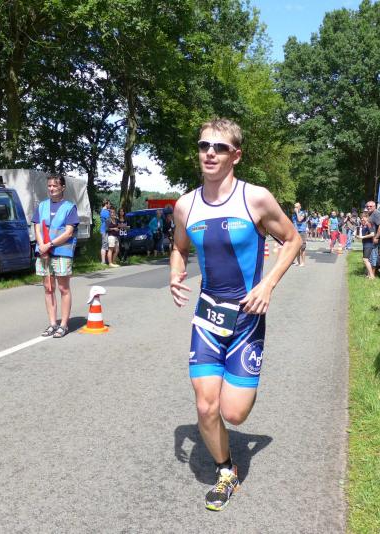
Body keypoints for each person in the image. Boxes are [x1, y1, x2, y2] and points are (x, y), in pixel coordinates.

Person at [169, 118, 301, 512]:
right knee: (205, 406)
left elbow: (292, 239)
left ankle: (232, 423)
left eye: (220, 147)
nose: (210, 153)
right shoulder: (185, 205)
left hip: (246, 318)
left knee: (234, 413)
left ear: (236, 155)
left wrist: (268, 284)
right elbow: (179, 248)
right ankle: (226, 471)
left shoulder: (255, 199)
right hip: (207, 317)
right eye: (204, 145)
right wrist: (175, 272)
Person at [33, 175, 79, 339]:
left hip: (61, 252)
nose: (51, 188)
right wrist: (42, 246)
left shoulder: (69, 207)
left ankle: (63, 325)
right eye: (49, 186)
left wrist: (49, 245)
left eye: (55, 186)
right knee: (48, 288)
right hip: (44, 252)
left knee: (63, 288)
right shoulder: (41, 206)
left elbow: (68, 232)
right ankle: (53, 323)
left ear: (62, 187)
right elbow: (37, 228)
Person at [364, 200, 380, 273]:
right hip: (370, 238)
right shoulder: (370, 213)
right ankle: (370, 272)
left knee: (373, 255)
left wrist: (377, 237)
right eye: (367, 206)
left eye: (370, 206)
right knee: (370, 255)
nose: (369, 207)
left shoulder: (376, 213)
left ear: (374, 206)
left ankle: (373, 273)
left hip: (374, 238)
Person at [356, 211, 376, 278]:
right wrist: (358, 236)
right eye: (361, 218)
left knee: (365, 259)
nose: (362, 219)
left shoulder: (369, 224)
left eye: (363, 218)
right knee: (367, 260)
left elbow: (372, 234)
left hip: (369, 244)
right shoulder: (364, 225)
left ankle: (372, 276)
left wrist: (363, 237)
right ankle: (368, 274)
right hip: (365, 244)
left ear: (367, 218)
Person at [292, 202, 308, 266]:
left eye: (297, 207)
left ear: (300, 207)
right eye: (295, 207)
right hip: (295, 232)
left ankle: (303, 262)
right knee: (296, 247)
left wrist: (297, 212)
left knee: (302, 248)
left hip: (302, 232)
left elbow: (299, 220)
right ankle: (298, 262)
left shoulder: (303, 213)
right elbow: (293, 223)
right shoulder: (293, 215)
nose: (295, 208)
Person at [99, 199, 111, 265]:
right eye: (109, 204)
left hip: (106, 230)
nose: (110, 205)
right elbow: (109, 220)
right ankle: (103, 261)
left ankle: (106, 260)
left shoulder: (106, 211)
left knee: (107, 245)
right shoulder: (104, 211)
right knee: (104, 245)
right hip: (104, 230)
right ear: (106, 204)